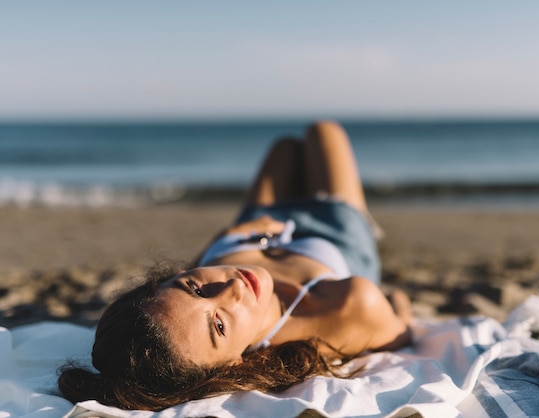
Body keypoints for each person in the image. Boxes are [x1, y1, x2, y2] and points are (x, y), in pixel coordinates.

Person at [58, 121, 413, 411]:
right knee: (323, 132)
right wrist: (399, 307)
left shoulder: (190, 304)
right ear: (231, 364)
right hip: (333, 230)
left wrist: (233, 234)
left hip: (253, 227)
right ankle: (365, 220)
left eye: (194, 288)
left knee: (286, 147)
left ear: (170, 277)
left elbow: (197, 272)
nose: (232, 288)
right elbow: (402, 331)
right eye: (219, 324)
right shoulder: (347, 305)